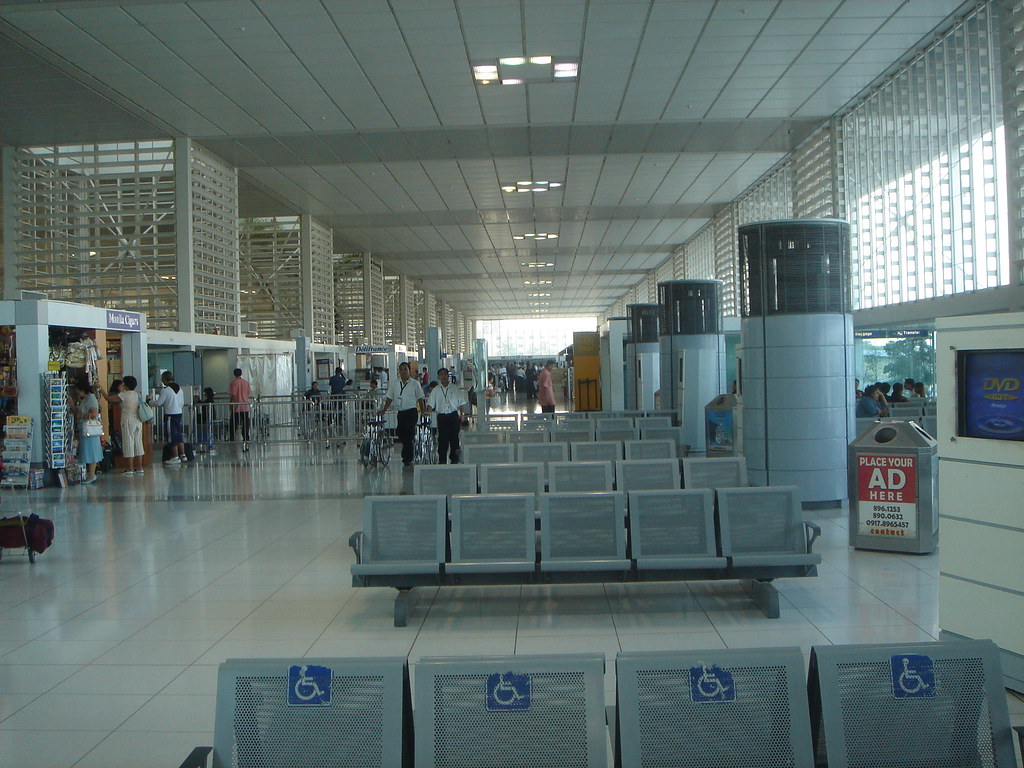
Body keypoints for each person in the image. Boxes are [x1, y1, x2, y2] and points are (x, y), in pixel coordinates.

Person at [377, 361, 425, 468]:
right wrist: (384, 410)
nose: (403, 371)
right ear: (399, 371)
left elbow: (420, 399)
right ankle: (407, 451)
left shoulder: (415, 383)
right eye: (401, 369)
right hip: (401, 413)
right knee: (401, 433)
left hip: (411, 412)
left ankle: (407, 457)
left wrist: (423, 411)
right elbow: (389, 397)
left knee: (408, 434)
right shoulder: (394, 383)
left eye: (405, 369)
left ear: (409, 370)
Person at [99, 376, 145, 475]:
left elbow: (107, 398)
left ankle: (129, 469)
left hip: (128, 421)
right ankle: (140, 467)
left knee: (128, 444)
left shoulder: (123, 395)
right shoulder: (137, 394)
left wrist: (100, 388)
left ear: (126, 385)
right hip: (138, 421)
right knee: (138, 444)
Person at [425, 367, 467, 464]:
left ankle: (454, 458)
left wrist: (462, 414)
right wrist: (428, 411)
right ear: (438, 377)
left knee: (454, 438)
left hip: (453, 416)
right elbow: (431, 403)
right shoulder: (436, 390)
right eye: (441, 374)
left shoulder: (454, 388)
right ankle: (442, 459)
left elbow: (461, 403)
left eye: (445, 374)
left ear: (448, 375)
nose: (443, 376)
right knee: (443, 439)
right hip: (442, 417)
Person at [75, 377, 103, 484]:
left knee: (91, 452)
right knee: (88, 451)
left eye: (78, 389)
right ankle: (90, 474)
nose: (77, 392)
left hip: (89, 431)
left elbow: (94, 413)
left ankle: (92, 475)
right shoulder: (85, 399)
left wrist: (82, 416)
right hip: (84, 430)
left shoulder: (91, 398)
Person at [156, 371, 186, 465]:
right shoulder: (180, 389)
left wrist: (149, 401)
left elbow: (159, 403)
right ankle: (183, 455)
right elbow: (181, 403)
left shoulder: (166, 390)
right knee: (178, 435)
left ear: (164, 379)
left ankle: (175, 457)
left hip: (170, 415)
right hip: (179, 414)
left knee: (171, 436)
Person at [228, 368, 252, 451]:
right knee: (245, 423)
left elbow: (233, 395)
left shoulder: (233, 383)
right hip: (245, 406)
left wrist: (230, 404)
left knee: (233, 423)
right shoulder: (246, 383)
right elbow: (248, 393)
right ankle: (246, 437)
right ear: (241, 373)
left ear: (234, 374)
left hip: (236, 406)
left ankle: (231, 437)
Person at [195, 387, 217, 455]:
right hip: (209, 417)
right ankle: (209, 444)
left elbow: (203, 404)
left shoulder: (208, 401)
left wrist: (198, 400)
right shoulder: (210, 400)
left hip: (208, 417)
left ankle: (206, 443)